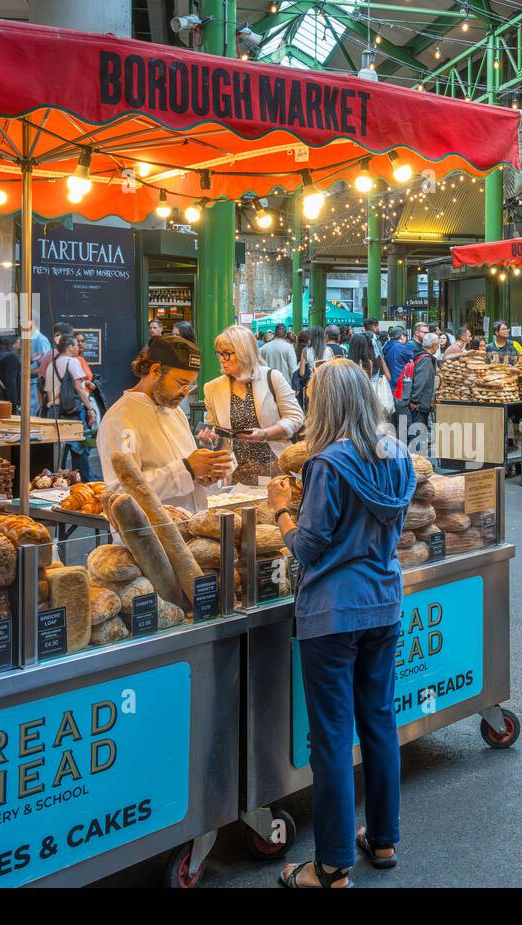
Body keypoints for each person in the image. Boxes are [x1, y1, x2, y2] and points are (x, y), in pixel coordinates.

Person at [266, 359, 416, 889]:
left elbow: (306, 547)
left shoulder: (326, 464)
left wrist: (282, 510)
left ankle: (330, 866)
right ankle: (383, 837)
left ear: (324, 404)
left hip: (331, 613)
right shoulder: (398, 453)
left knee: (330, 737)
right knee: (379, 721)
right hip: (384, 603)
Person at [98, 335, 234, 510]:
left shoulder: (176, 412)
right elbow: (121, 490)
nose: (185, 392)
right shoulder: (120, 419)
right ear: (155, 371)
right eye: (181, 383)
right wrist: (187, 469)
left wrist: (203, 475)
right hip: (149, 534)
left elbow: (186, 475)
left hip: (190, 528)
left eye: (190, 385)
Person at [201, 325, 304, 484]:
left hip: (274, 468)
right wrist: (210, 439)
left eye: (227, 354)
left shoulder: (272, 377)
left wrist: (264, 434)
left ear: (244, 353)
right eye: (220, 354)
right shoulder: (212, 388)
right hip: (235, 473)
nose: (222, 359)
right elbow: (214, 428)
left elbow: (296, 417)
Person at [44, 334, 97, 481]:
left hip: (53, 412)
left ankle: (56, 484)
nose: (77, 348)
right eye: (75, 345)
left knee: (57, 454)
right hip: (71, 412)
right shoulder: (72, 362)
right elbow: (79, 388)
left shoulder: (51, 365)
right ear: (69, 347)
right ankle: (82, 485)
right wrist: (90, 409)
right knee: (79, 452)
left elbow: (48, 390)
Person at [398, 332, 438, 453]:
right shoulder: (426, 360)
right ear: (434, 345)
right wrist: (415, 400)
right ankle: (414, 462)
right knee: (416, 434)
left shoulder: (419, 355)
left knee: (413, 433)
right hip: (418, 405)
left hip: (415, 403)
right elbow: (421, 381)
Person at [349, 331, 394, 418]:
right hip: (371, 396)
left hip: (354, 398)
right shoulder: (370, 362)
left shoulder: (348, 363)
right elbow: (389, 377)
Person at [24, 326, 51, 418]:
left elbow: (45, 367)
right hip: (26, 385)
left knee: (32, 417)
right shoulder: (26, 338)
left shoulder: (41, 340)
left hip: (34, 386)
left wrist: (24, 373)